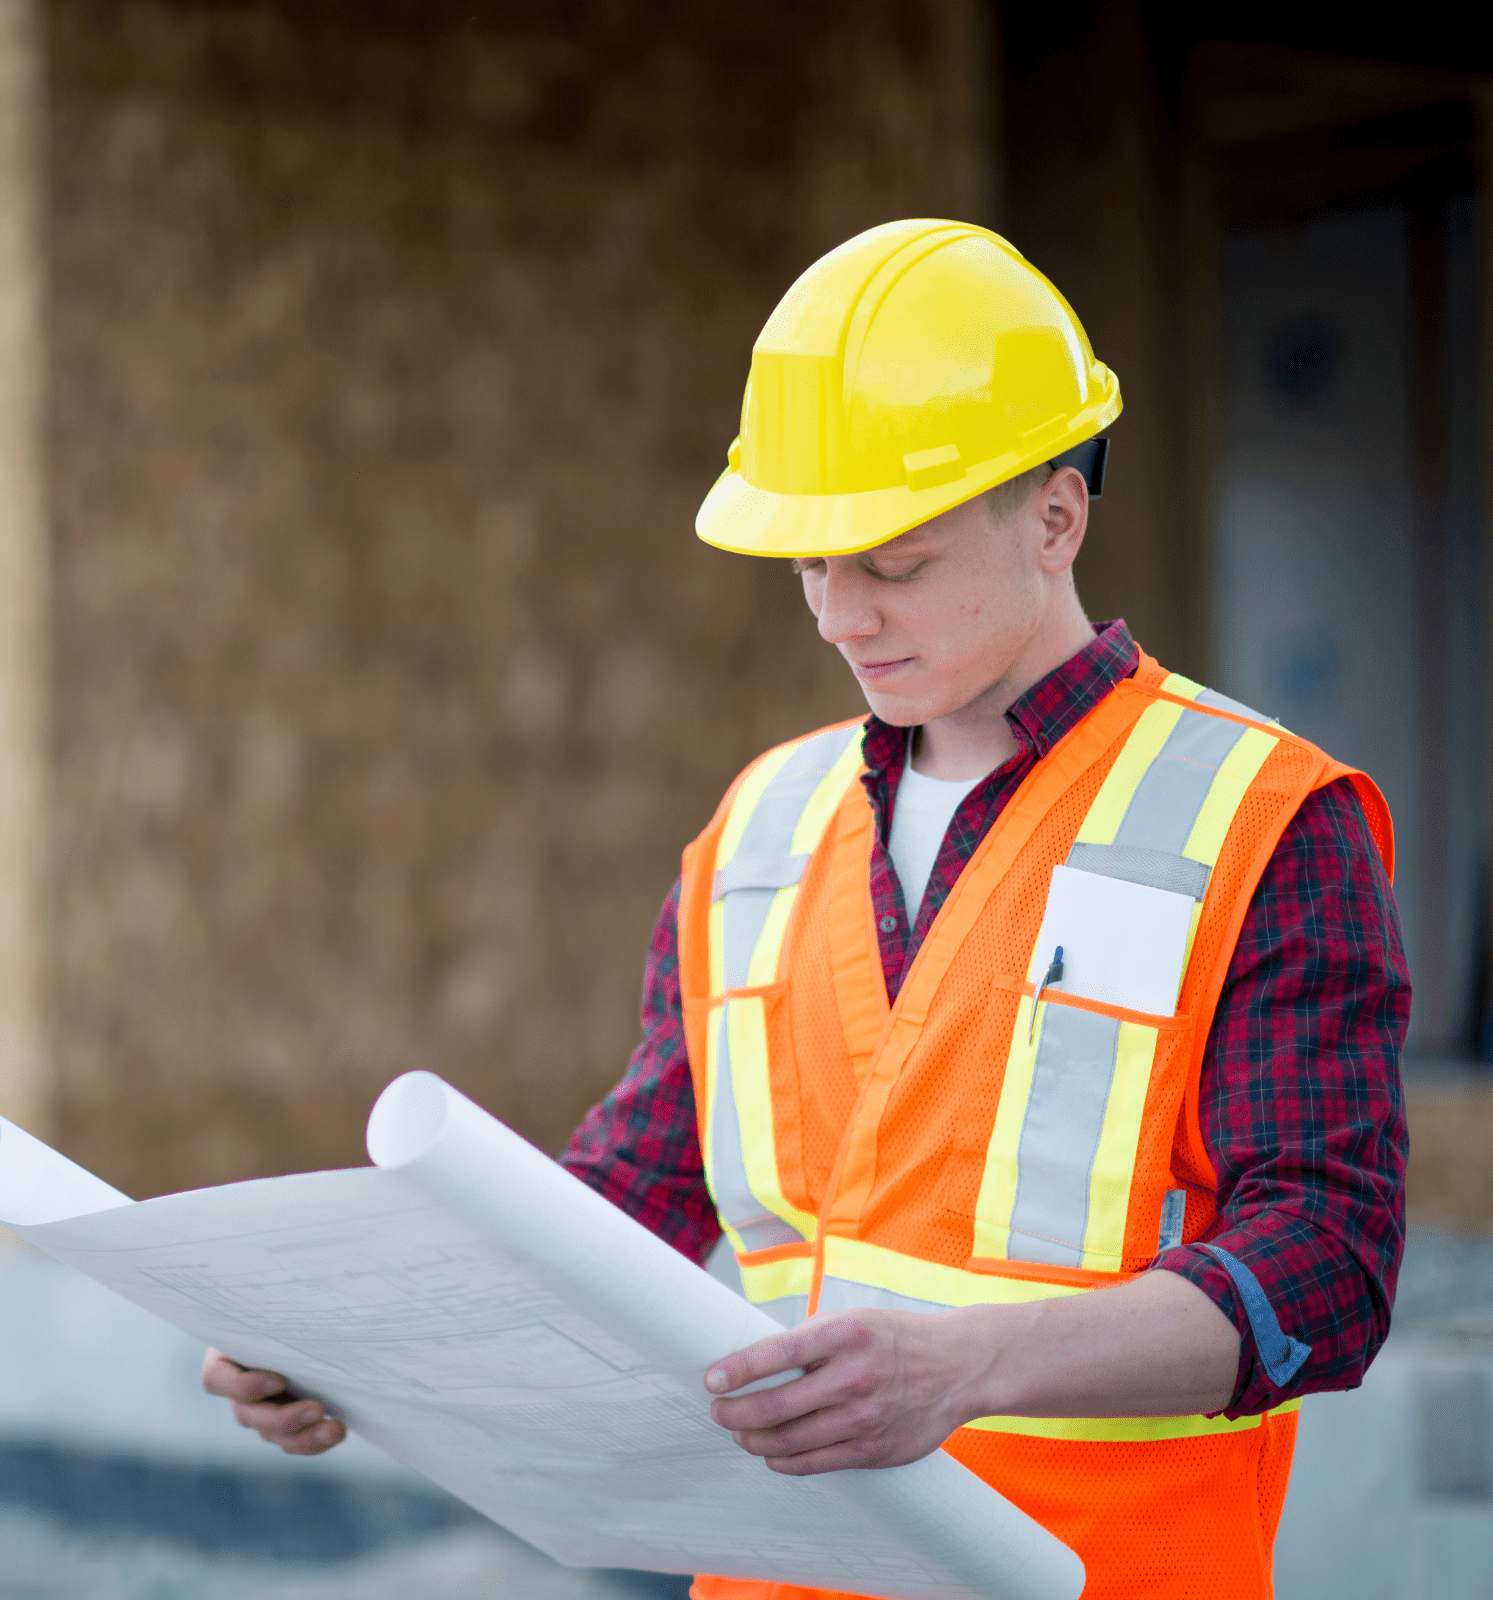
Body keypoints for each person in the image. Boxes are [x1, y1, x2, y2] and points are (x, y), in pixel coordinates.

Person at [202, 220, 1409, 1600]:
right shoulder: (760, 831)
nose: (842, 617)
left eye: (890, 563)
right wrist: (360, 1346)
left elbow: (1327, 1266)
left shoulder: (1258, 818)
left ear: (1056, 517)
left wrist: (967, 1371)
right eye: (808, 566)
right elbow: (627, 1200)